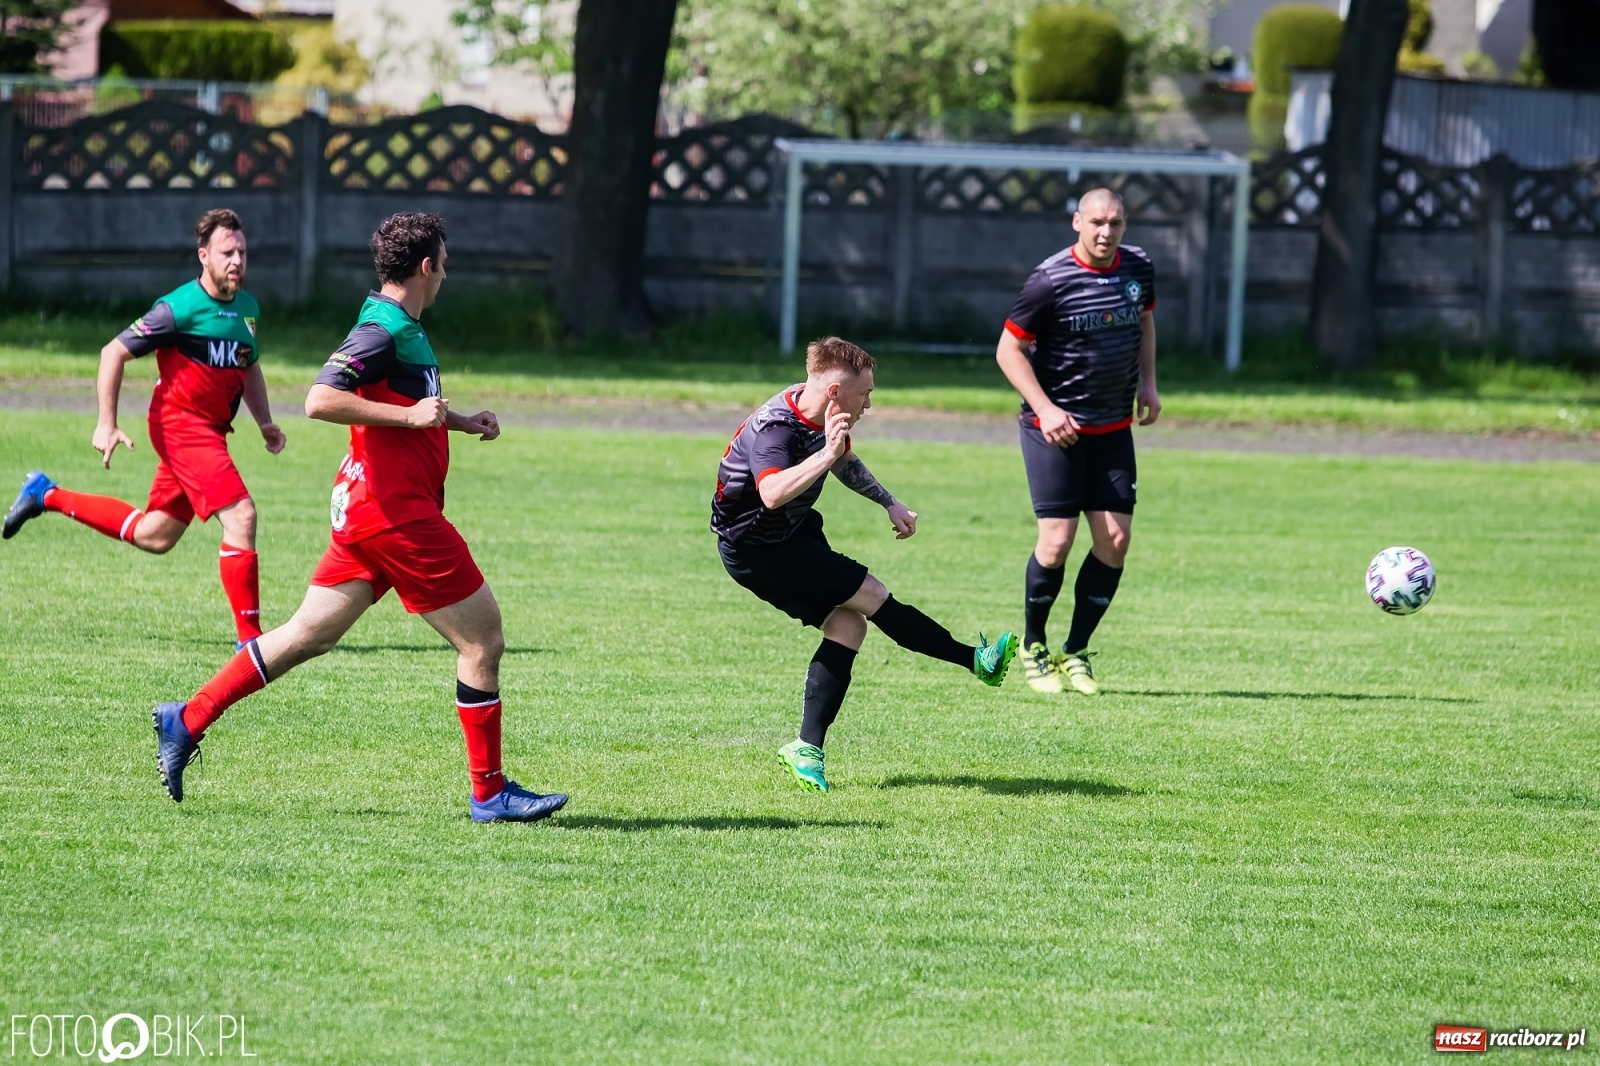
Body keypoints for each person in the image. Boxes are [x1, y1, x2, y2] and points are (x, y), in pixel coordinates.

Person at [149, 211, 567, 823]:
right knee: (483, 640)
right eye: (444, 263)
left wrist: (458, 419)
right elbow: (321, 398)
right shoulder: (381, 328)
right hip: (397, 517)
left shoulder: (400, 327)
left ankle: (186, 718)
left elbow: (405, 404)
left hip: (370, 514)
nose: (446, 274)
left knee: (304, 635)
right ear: (426, 267)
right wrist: (414, 419)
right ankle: (489, 792)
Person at [712, 336, 1019, 793]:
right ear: (835, 391)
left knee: (848, 628)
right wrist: (825, 455)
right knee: (872, 594)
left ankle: (805, 748)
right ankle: (976, 661)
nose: (869, 404)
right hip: (761, 550)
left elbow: (844, 460)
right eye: (866, 393)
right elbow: (772, 493)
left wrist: (889, 503)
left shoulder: (817, 407)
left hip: (789, 537)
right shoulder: (776, 429)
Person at [3, 208, 284, 646]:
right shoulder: (177, 309)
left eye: (243, 252)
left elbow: (248, 367)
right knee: (242, 516)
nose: (237, 261)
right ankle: (250, 640)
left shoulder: (248, 309)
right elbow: (112, 352)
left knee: (155, 535)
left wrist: (265, 421)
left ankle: (46, 494)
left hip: (209, 431)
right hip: (180, 426)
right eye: (227, 253)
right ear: (203, 256)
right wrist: (106, 423)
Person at [995, 187, 1161, 696]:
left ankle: (1076, 649)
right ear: (1077, 222)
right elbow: (1008, 350)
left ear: (1125, 224)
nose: (1105, 232)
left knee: (1114, 542)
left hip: (1112, 428)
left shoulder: (1138, 268)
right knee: (1057, 541)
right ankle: (1034, 646)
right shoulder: (1050, 281)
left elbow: (1146, 322)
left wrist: (1149, 383)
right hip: (1054, 431)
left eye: (1115, 223)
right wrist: (1045, 410)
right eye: (1096, 222)